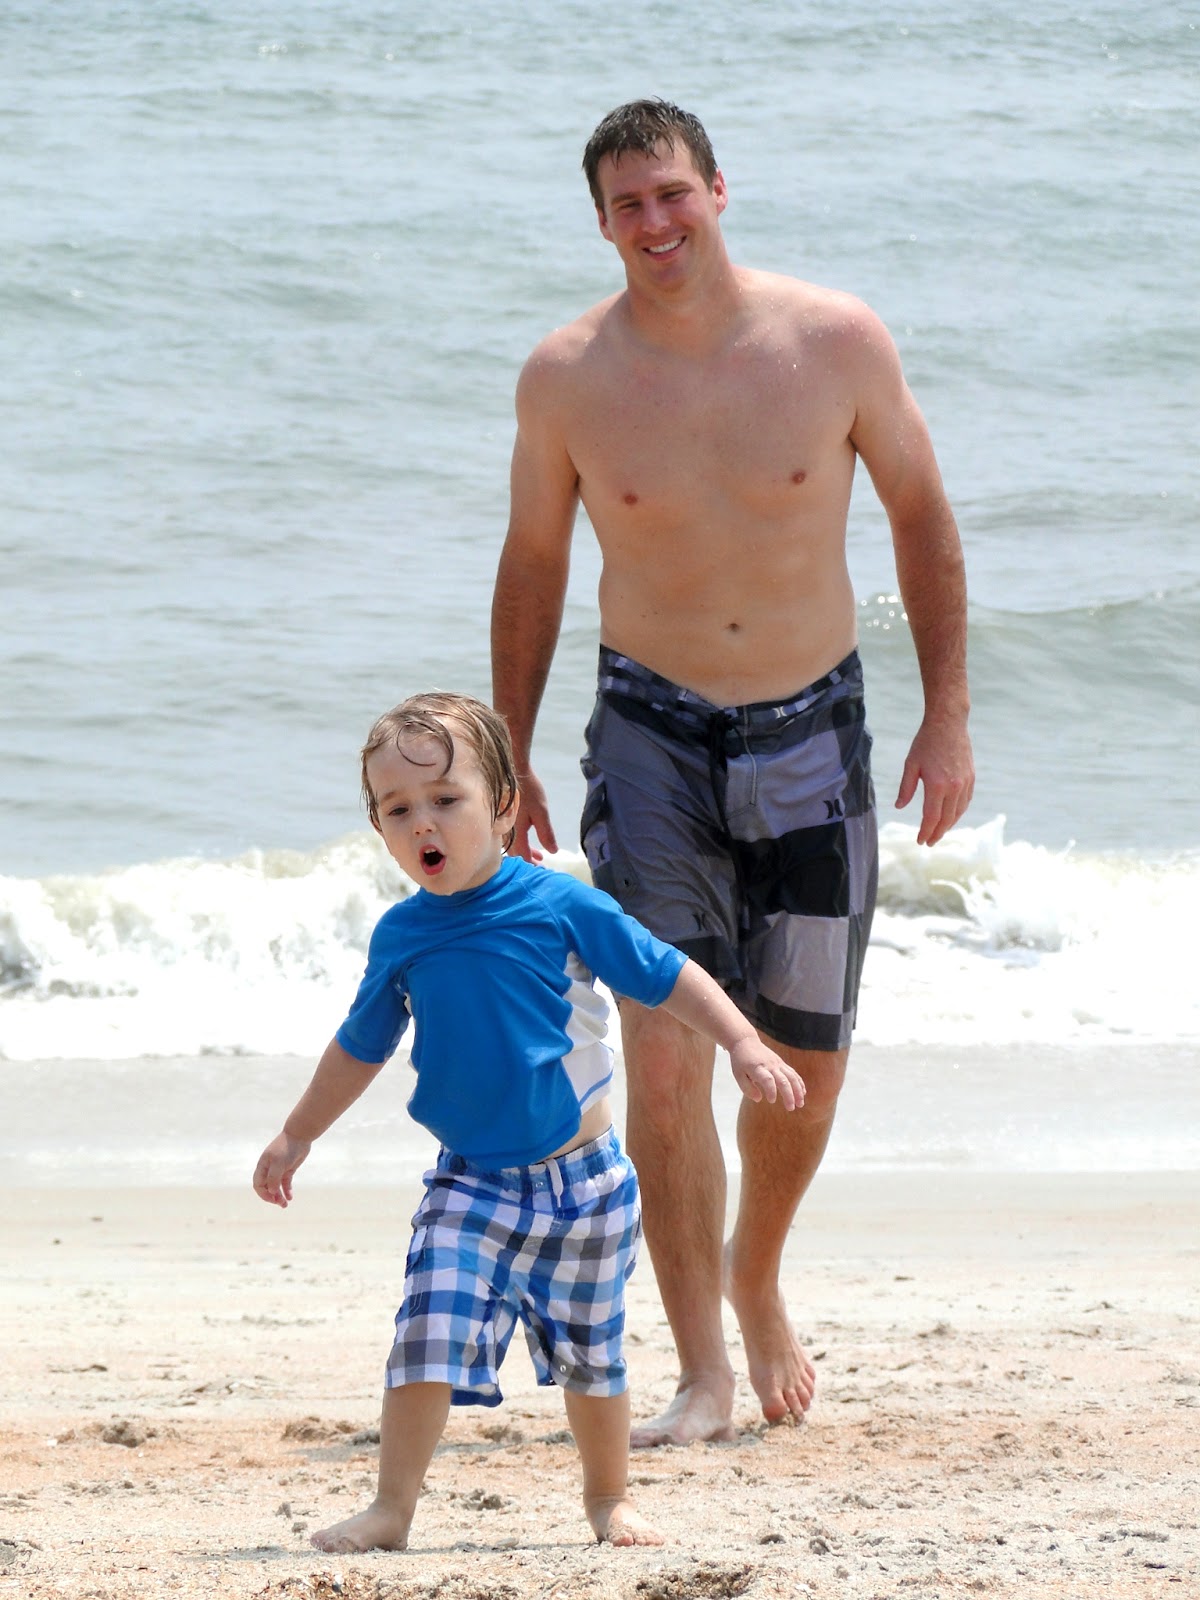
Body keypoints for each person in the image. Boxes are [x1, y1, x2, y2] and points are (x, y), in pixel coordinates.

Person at [490, 98, 974, 1448]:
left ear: (717, 190)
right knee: (664, 1049)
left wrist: (947, 713)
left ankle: (757, 1272)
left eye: (672, 194)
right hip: (648, 735)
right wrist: (507, 746)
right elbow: (534, 563)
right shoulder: (567, 377)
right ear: (601, 224)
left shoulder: (835, 342)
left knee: (804, 1060)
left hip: (814, 730)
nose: (655, 223)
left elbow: (922, 514)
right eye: (627, 206)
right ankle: (702, 1364)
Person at [252, 691, 806, 1553]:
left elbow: (664, 972)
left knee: (593, 1359)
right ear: (380, 827)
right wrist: (298, 1133)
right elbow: (360, 1045)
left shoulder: (561, 906)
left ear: (504, 805)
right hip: (469, 1186)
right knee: (426, 1337)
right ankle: (391, 1508)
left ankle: (608, 1499)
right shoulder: (403, 935)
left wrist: (740, 1041)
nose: (423, 822)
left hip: (586, 1188)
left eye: (447, 799)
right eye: (397, 809)